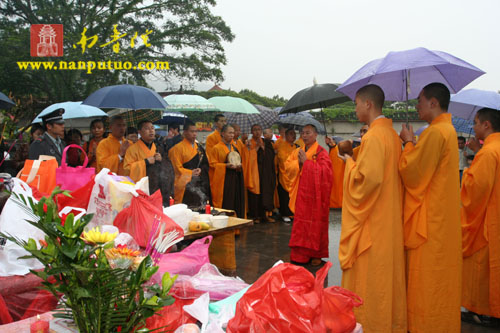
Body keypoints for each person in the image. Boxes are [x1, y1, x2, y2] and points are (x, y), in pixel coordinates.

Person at [339, 84, 407, 332]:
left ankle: (370, 323)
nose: (355, 109)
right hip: (387, 217)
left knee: (370, 277)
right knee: (384, 275)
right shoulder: (389, 134)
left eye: (356, 103)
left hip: (373, 221)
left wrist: (348, 163)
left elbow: (368, 180)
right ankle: (387, 321)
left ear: (368, 104)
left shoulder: (375, 136)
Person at [399, 82, 462, 332]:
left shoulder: (436, 133)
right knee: (439, 276)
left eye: (420, 101)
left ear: (433, 103)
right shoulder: (448, 130)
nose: (417, 106)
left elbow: (413, 173)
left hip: (431, 221)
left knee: (427, 278)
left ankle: (427, 325)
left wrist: (407, 143)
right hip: (442, 218)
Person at [461, 107, 500, 326]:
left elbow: (477, 189)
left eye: (476, 123)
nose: (473, 127)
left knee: (484, 269)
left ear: (487, 125)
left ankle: (485, 311)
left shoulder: (489, 151)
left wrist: (468, 172)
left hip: (488, 221)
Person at [284, 124, 332, 265]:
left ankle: (316, 254)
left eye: (308, 133)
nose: (304, 136)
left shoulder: (321, 152)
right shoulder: (298, 151)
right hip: (301, 193)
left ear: (316, 134)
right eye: (303, 133)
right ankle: (301, 254)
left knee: (315, 224)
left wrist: (307, 163)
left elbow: (327, 173)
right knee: (301, 225)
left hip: (315, 196)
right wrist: (299, 163)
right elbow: (288, 166)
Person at [169, 121, 211, 207]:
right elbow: (175, 169)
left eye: (196, 131)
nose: (194, 134)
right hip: (185, 185)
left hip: (199, 183)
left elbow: (205, 164)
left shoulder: (199, 148)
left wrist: (201, 170)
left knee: (200, 206)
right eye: (192, 131)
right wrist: (190, 173)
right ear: (184, 132)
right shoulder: (176, 149)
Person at [207, 125, 245, 217]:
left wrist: (240, 165)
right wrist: (225, 166)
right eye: (230, 133)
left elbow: (240, 160)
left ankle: (236, 227)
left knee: (236, 201)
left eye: (233, 133)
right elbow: (212, 164)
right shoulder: (216, 148)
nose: (232, 135)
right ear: (223, 133)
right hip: (223, 180)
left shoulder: (234, 148)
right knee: (227, 202)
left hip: (235, 178)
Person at [246, 124, 276, 223]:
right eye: (255, 130)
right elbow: (248, 157)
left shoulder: (267, 142)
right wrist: (257, 147)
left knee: (266, 193)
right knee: (255, 194)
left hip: (266, 172)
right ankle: (256, 216)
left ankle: (266, 215)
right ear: (251, 132)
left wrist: (263, 147)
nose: (257, 132)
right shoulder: (249, 143)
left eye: (259, 130)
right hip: (255, 172)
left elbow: (271, 156)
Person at [276, 128, 298, 222]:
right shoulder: (282, 146)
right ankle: (285, 214)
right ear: (286, 135)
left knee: (294, 196)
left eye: (294, 134)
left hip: (295, 175)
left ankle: (293, 213)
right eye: (290, 134)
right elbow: (282, 159)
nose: (293, 136)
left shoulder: (297, 146)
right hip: (284, 175)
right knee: (284, 196)